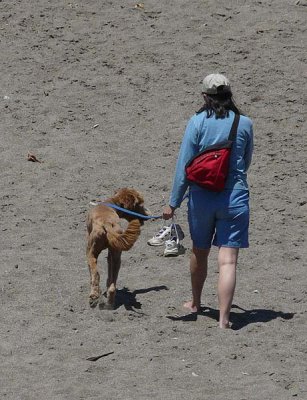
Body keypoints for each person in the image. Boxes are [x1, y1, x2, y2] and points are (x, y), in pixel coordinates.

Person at [163, 73, 253, 329]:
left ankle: (195, 302)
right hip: (235, 197)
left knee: (199, 251)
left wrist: (173, 202)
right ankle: (224, 319)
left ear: (205, 96)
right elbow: (245, 163)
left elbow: (184, 166)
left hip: (201, 198)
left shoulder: (197, 122)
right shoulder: (244, 123)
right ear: (229, 95)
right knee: (228, 261)